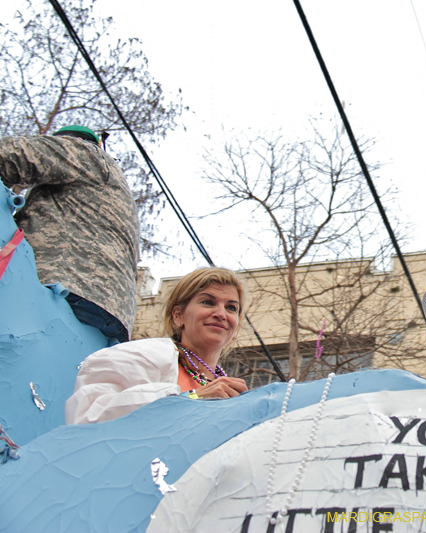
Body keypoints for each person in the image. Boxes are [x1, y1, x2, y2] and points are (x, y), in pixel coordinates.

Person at [0, 125, 138, 343]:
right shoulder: (109, 188)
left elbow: (14, 154)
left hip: (68, 288)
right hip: (109, 313)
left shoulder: (84, 153)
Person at [65, 267, 249, 424]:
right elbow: (87, 416)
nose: (221, 314)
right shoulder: (141, 356)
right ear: (178, 315)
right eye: (207, 302)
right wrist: (191, 398)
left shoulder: (233, 392)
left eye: (231, 308)